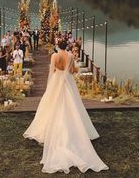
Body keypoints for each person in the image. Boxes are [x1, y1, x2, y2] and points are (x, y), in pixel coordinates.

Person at [23, 39, 109, 174]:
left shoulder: (54, 56)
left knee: (51, 103)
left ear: (58, 46)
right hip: (68, 81)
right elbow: (73, 70)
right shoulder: (70, 56)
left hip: (56, 80)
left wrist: (50, 84)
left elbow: (51, 71)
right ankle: (75, 124)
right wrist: (71, 70)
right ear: (66, 46)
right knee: (72, 103)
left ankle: (47, 127)